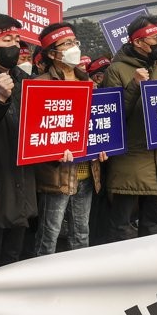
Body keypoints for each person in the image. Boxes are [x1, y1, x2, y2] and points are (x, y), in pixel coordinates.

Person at [0, 13, 40, 269]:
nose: (14, 46)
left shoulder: (27, 83)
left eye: (16, 39)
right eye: (6, 40)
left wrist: (59, 149)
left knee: (15, 260)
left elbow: (41, 126)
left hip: (23, 182)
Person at [102, 15, 157, 240]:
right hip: (130, 163)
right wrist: (134, 86)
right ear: (137, 42)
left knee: (151, 226)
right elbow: (112, 117)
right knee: (120, 227)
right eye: (155, 37)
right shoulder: (116, 70)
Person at [31, 23, 103, 255]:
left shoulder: (89, 84)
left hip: (87, 173)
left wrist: (103, 145)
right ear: (52, 54)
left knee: (81, 234)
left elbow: (99, 124)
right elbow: (35, 136)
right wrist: (52, 152)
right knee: (48, 237)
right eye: (68, 44)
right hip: (57, 177)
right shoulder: (40, 86)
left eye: (75, 42)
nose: (75, 47)